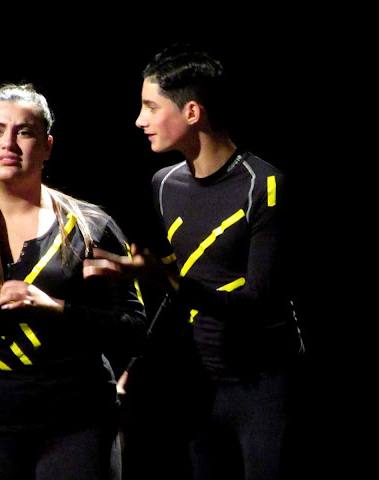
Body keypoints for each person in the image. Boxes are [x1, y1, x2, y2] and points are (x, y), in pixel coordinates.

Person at [83, 44, 306, 480]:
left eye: (150, 106)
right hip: (202, 385)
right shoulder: (164, 184)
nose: (139, 120)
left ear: (191, 112)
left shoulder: (264, 186)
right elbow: (183, 291)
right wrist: (137, 366)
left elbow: (258, 303)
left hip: (266, 385)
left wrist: (165, 279)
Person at [0, 83, 147, 480]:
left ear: (47, 146)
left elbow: (134, 329)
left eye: (25, 132)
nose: (9, 143)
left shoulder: (90, 228)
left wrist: (56, 309)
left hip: (77, 423)